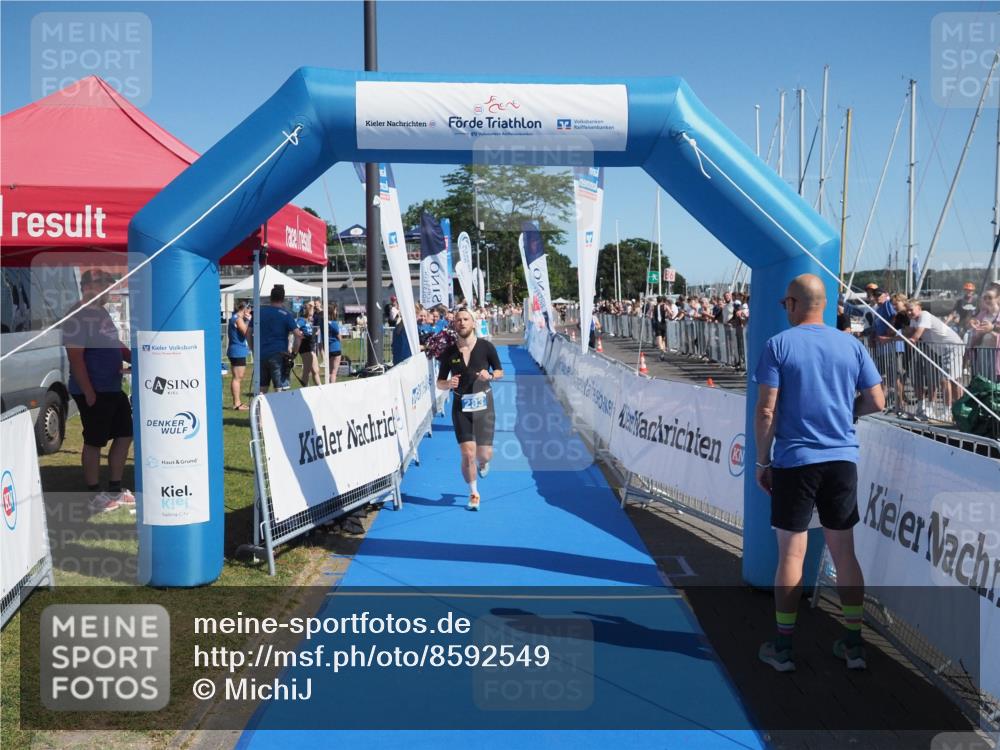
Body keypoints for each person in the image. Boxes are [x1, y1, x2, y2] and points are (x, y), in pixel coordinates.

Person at [753, 274, 884, 673]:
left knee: (792, 553)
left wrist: (762, 461)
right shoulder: (851, 344)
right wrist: (845, 417)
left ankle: (784, 647)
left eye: (784, 304)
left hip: (796, 460)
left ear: (793, 303)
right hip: (842, 458)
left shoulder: (778, 345)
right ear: (823, 304)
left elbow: (766, 411)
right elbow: (876, 401)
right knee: (844, 552)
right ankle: (854, 645)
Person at [63, 269, 136, 513]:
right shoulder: (77, 315)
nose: (109, 289)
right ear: (89, 286)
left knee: (125, 434)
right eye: (105, 284)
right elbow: (75, 357)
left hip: (113, 387)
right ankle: (94, 494)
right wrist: (89, 391)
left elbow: (114, 343)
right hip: (94, 389)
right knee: (94, 441)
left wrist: (133, 356)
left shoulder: (102, 312)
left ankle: (115, 489)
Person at [436, 308, 503, 511]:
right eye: (458, 320)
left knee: (484, 455)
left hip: (484, 405)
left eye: (466, 319)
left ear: (473, 323)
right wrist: (448, 384)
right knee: (467, 454)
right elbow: (439, 382)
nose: (462, 322)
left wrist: (489, 376)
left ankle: (483, 464)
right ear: (454, 324)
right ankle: (474, 493)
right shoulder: (449, 352)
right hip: (460, 406)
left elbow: (500, 371)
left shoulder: (486, 347)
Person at [906, 299, 964, 419]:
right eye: (907, 310)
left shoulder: (925, 315)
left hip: (952, 346)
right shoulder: (913, 319)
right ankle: (957, 411)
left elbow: (917, 334)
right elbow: (910, 333)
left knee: (946, 380)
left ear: (919, 308)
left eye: (911, 309)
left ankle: (948, 412)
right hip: (943, 350)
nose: (909, 312)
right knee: (952, 380)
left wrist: (912, 340)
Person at [248, 284, 302, 392]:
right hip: (279, 355)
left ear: (270, 297)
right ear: (283, 299)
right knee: (280, 389)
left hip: (261, 354)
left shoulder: (259, 312)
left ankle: (259, 409)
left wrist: (253, 349)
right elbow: (298, 335)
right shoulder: (286, 315)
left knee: (262, 388)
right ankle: (278, 409)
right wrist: (294, 353)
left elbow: (248, 333)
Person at [968, 282, 1000, 381]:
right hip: (983, 357)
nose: (986, 300)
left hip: (997, 358)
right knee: (984, 386)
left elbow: (994, 330)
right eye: (985, 297)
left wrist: (992, 328)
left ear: (998, 298)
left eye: (990, 297)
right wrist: (978, 332)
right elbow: (976, 340)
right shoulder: (982, 315)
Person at [227, 301, 251, 409]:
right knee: (237, 378)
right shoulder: (238, 318)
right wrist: (250, 321)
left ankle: (237, 402)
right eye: (249, 308)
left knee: (238, 377)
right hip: (237, 350)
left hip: (237, 350)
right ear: (245, 309)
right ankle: (237, 404)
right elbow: (246, 332)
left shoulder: (236, 318)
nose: (250, 311)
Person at [296, 302, 320, 387]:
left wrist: (314, 334)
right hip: (305, 348)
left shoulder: (308, 321)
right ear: (307, 311)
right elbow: (294, 329)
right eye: (311, 309)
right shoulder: (301, 320)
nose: (313, 311)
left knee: (316, 370)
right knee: (307, 370)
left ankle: (319, 387)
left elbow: (308, 333)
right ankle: (305, 389)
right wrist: (299, 334)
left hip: (310, 347)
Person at [327, 302, 342, 383]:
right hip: (336, 348)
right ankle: (332, 388)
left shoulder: (324, 322)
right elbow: (339, 336)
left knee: (329, 372)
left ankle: (328, 387)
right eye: (336, 310)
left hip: (328, 348)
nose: (336, 312)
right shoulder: (334, 323)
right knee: (334, 372)